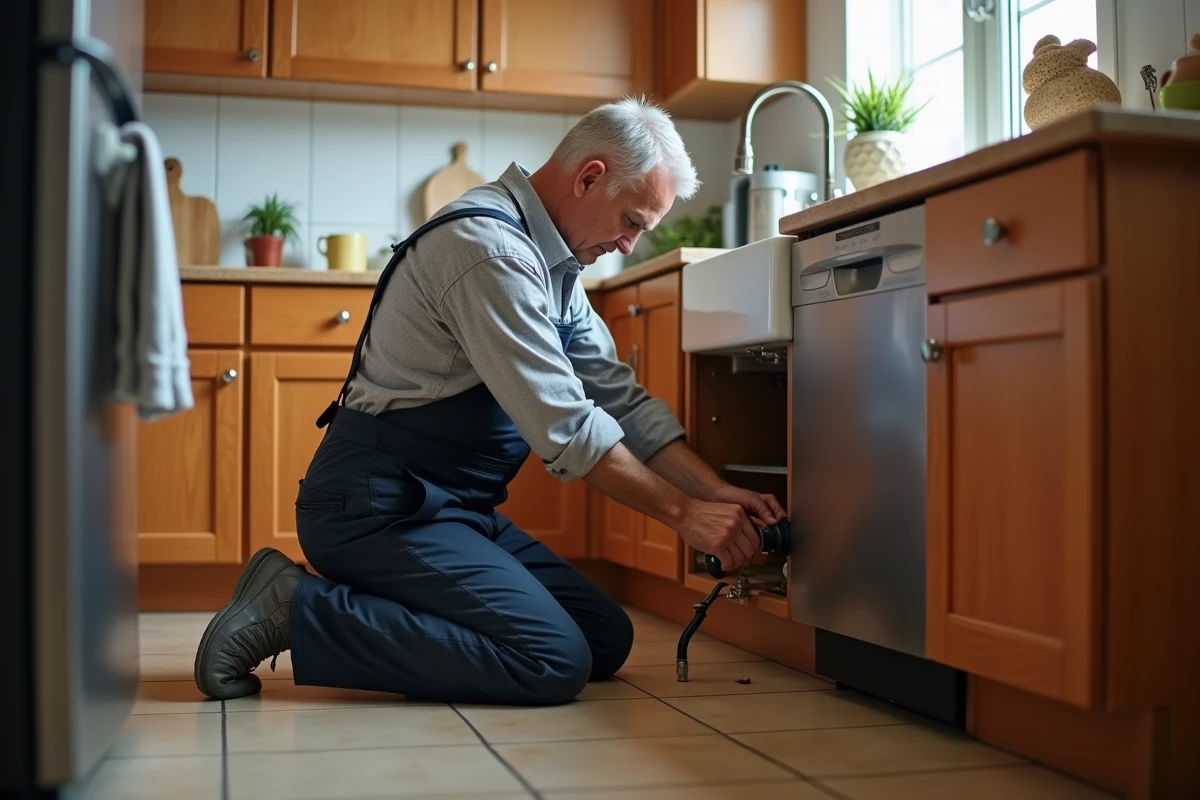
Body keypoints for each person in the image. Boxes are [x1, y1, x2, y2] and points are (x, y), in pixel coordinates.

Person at [193, 96, 784, 706]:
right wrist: (685, 516)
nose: (630, 244)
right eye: (632, 221)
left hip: (451, 508)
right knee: (552, 660)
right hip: (374, 506)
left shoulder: (553, 265)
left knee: (602, 639)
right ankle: (297, 609)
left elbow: (620, 401)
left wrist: (710, 491)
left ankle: (386, 604)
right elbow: (568, 430)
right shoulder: (490, 251)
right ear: (590, 178)